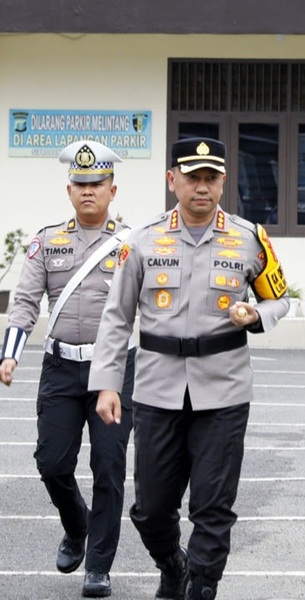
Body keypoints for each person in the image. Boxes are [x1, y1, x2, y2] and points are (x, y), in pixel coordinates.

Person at [89, 137, 291, 600]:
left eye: (211, 178)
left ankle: (201, 586)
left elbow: (279, 298)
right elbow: (117, 317)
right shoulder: (142, 241)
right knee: (150, 509)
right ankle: (172, 564)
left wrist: (256, 314)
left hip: (224, 389)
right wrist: (106, 385)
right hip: (157, 389)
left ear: (223, 182)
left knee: (213, 507)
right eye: (192, 177)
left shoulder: (249, 239)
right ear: (172, 180)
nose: (202, 186)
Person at [0, 140, 135, 597]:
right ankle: (77, 525)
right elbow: (24, 303)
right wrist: (10, 353)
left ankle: (98, 566)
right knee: (52, 462)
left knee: (108, 467)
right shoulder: (47, 242)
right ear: (69, 190)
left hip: (112, 369)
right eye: (80, 184)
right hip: (60, 367)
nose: (88, 191)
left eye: (97, 183)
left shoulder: (131, 244)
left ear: (112, 190)